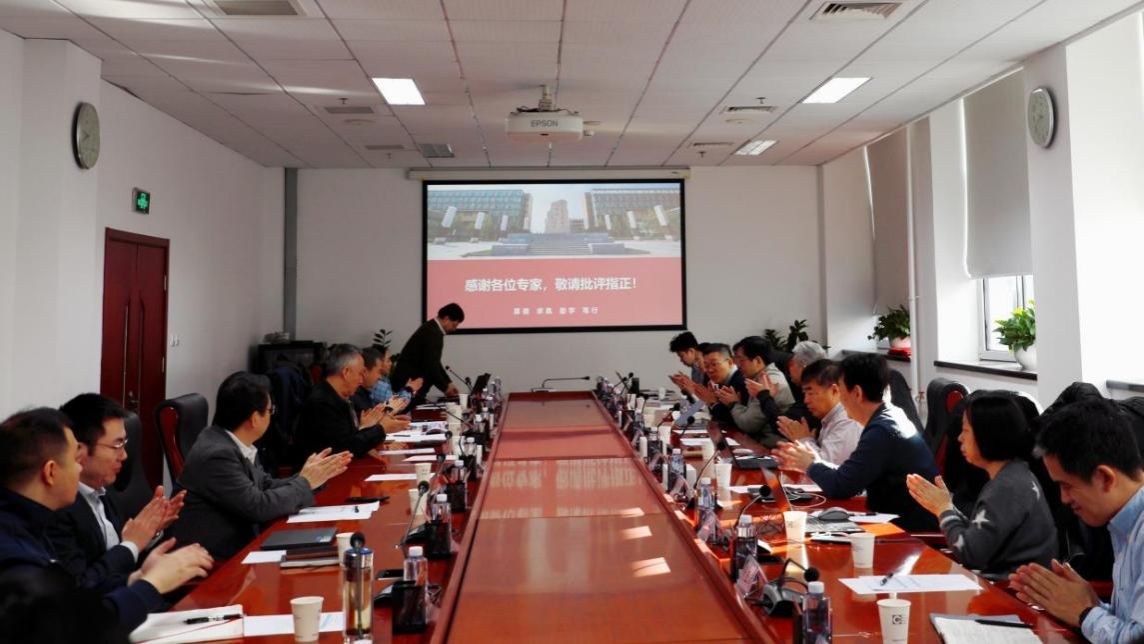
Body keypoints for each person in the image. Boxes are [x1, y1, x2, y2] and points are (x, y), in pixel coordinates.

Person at [0, 408, 212, 631]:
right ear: (50, 472)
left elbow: (75, 595)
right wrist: (152, 584)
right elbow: (78, 630)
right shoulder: (15, 556)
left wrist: (139, 576)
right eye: (75, 460)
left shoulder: (30, 523)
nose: (80, 468)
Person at [174, 372, 353, 559]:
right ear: (254, 419)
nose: (271, 415)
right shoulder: (217, 455)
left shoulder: (232, 442)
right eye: (270, 410)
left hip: (239, 545)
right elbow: (258, 506)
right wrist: (305, 482)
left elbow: (265, 485)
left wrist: (311, 478)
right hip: (215, 559)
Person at [1009, 398, 1144, 642]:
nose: (1064, 499)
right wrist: (1090, 604)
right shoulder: (1126, 522)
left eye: (1067, 486)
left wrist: (1083, 613)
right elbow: (1129, 623)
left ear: (1104, 477)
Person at [774, 354, 939, 531]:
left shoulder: (882, 431)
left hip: (905, 530)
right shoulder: (890, 416)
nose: (839, 400)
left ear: (857, 393)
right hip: (892, 518)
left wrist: (810, 464)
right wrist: (809, 462)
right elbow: (850, 475)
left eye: (841, 391)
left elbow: (841, 487)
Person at [906, 392, 1056, 578]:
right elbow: (979, 536)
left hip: (1008, 590)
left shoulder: (1006, 487)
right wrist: (948, 507)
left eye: (965, 431)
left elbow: (971, 553)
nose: (959, 438)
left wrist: (943, 509)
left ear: (987, 436)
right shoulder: (1014, 475)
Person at [47, 394, 185, 594]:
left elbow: (124, 563)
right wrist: (131, 544)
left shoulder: (104, 490)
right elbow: (80, 588)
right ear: (79, 451)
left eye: (125, 444)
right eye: (117, 445)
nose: (125, 455)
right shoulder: (58, 508)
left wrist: (149, 532)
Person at [295, 344, 410, 460]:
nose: (361, 380)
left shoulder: (339, 396)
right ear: (346, 372)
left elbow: (351, 438)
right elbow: (345, 448)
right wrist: (382, 428)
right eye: (360, 374)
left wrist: (372, 430)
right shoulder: (322, 402)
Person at [776, 359, 861, 465]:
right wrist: (809, 441)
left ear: (834, 390)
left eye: (810, 393)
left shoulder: (847, 420)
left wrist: (804, 439)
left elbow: (826, 467)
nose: (806, 400)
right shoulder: (831, 417)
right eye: (805, 394)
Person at [718, 336, 795, 447]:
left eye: (741, 360)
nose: (738, 365)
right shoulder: (760, 376)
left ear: (758, 360)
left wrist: (733, 404)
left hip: (773, 446)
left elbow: (749, 424)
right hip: (762, 442)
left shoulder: (769, 380)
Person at [391, 303, 464, 402]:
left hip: (410, 385)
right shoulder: (433, 333)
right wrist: (445, 388)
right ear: (446, 319)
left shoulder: (432, 328)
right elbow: (431, 366)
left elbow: (435, 362)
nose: (454, 329)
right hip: (408, 385)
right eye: (454, 325)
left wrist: (448, 383)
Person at [685, 343, 746, 426]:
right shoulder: (720, 379)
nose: (710, 370)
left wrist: (712, 402)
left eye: (714, 364)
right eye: (706, 365)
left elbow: (734, 421)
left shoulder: (740, 381)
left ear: (730, 362)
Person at [668, 331, 705, 395]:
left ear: (691, 351)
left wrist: (689, 384)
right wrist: (683, 385)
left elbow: (703, 397)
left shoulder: (706, 369)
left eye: (681, 356)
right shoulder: (695, 368)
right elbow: (695, 396)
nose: (681, 360)